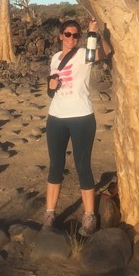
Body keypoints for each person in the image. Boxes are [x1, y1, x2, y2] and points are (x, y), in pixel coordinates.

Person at [43, 18, 110, 236]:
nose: (72, 38)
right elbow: (51, 90)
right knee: (55, 166)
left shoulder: (83, 55)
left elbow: (102, 54)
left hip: (81, 117)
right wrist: (50, 87)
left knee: (83, 166)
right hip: (56, 117)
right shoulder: (54, 58)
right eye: (68, 34)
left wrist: (95, 33)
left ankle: (89, 215)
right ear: (61, 36)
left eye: (75, 35)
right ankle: (50, 213)